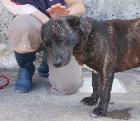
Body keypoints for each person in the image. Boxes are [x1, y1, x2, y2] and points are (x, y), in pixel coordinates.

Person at [1, 0, 85, 94]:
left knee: (68, 86)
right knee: (22, 27)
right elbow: (9, 3)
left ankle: (48, 58)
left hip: (60, 25)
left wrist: (67, 13)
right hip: (30, 18)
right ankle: (25, 67)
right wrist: (46, 20)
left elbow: (79, 6)